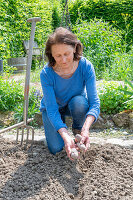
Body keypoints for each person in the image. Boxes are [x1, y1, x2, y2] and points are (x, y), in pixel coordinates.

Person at [40, 27, 100, 160]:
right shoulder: (46, 73)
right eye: (58, 56)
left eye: (67, 54)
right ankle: (62, 132)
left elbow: (95, 103)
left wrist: (86, 129)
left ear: (74, 48)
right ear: (51, 55)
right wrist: (64, 135)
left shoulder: (85, 66)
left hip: (74, 105)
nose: (64, 60)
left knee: (80, 101)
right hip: (53, 110)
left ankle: (78, 130)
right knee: (56, 148)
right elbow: (51, 109)